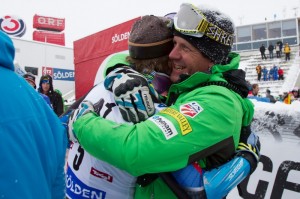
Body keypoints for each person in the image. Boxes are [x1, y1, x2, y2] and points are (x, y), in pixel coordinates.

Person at [69, 4, 258, 199]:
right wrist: (121, 71)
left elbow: (137, 150)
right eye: (174, 44)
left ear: (212, 58)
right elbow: (126, 56)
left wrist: (82, 121)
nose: (173, 54)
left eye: (185, 47)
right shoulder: (187, 81)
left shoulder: (218, 103)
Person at [0, 31, 67, 198]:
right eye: (42, 82)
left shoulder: (49, 97)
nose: (44, 85)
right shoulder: (35, 98)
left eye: (47, 82)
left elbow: (58, 116)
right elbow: (57, 184)